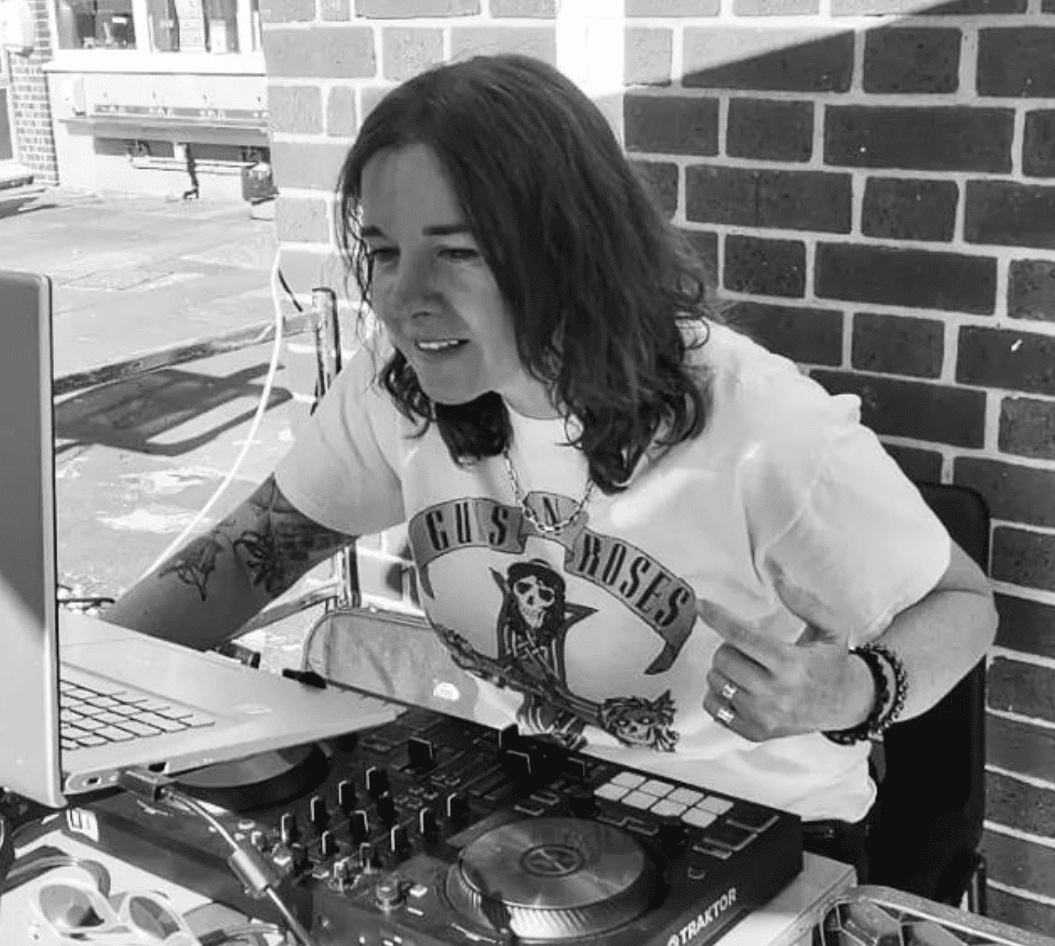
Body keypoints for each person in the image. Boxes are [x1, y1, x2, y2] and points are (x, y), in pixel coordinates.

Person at [102, 54, 997, 878]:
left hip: (758, 848)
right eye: (383, 251)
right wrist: (75, 687)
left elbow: (961, 604)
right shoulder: (395, 386)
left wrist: (853, 692)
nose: (404, 298)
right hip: (514, 815)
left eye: (457, 251)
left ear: (569, 247)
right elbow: (253, 547)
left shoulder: (767, 429)